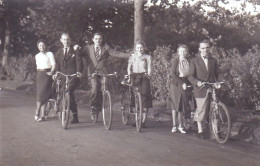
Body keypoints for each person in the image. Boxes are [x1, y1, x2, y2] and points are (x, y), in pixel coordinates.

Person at [79, 32, 130, 121]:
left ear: (102, 40)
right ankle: (94, 108)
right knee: (95, 89)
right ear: (93, 39)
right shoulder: (88, 48)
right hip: (92, 72)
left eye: (100, 39)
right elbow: (79, 54)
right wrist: (76, 49)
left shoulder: (106, 48)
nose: (98, 40)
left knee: (104, 89)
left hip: (103, 72)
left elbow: (116, 53)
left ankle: (101, 104)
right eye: (96, 39)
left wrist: (130, 55)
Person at [188, 40, 220, 139]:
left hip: (211, 86)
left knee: (215, 107)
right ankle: (200, 130)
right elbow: (190, 76)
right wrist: (197, 82)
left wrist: (219, 81)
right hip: (200, 88)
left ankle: (215, 130)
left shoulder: (213, 60)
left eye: (207, 47)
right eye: (203, 48)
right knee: (201, 108)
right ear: (199, 49)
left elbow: (218, 73)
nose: (205, 50)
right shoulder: (194, 61)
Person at [55, 33, 83, 123]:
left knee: (69, 91)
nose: (66, 41)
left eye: (67, 39)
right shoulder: (59, 51)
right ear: (61, 40)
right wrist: (56, 72)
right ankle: (74, 115)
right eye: (64, 40)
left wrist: (79, 72)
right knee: (67, 93)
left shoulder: (75, 50)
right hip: (63, 76)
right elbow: (58, 64)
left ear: (70, 40)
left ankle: (68, 111)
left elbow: (79, 62)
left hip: (73, 76)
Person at [127, 40, 153, 125]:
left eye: (141, 47)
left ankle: (143, 119)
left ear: (143, 48)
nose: (139, 49)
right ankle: (135, 116)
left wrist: (148, 74)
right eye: (138, 47)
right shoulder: (132, 56)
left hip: (144, 75)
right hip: (134, 76)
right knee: (134, 94)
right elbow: (129, 67)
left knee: (145, 94)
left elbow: (149, 67)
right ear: (135, 48)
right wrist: (129, 75)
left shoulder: (147, 57)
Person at [168, 45, 192, 134]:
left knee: (182, 105)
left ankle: (181, 125)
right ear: (178, 52)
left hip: (185, 83)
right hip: (176, 84)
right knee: (175, 105)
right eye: (181, 51)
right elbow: (172, 74)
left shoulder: (189, 61)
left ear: (187, 52)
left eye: (184, 51)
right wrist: (182, 83)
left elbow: (190, 73)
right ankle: (174, 126)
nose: (182, 53)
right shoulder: (175, 61)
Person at [35, 39, 56, 122]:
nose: (42, 47)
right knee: (40, 94)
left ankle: (40, 113)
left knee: (44, 95)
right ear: (38, 47)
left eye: (43, 45)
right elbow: (38, 66)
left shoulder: (49, 54)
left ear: (46, 46)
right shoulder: (36, 56)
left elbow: (53, 64)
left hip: (47, 75)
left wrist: (51, 72)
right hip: (39, 75)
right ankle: (40, 113)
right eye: (40, 45)